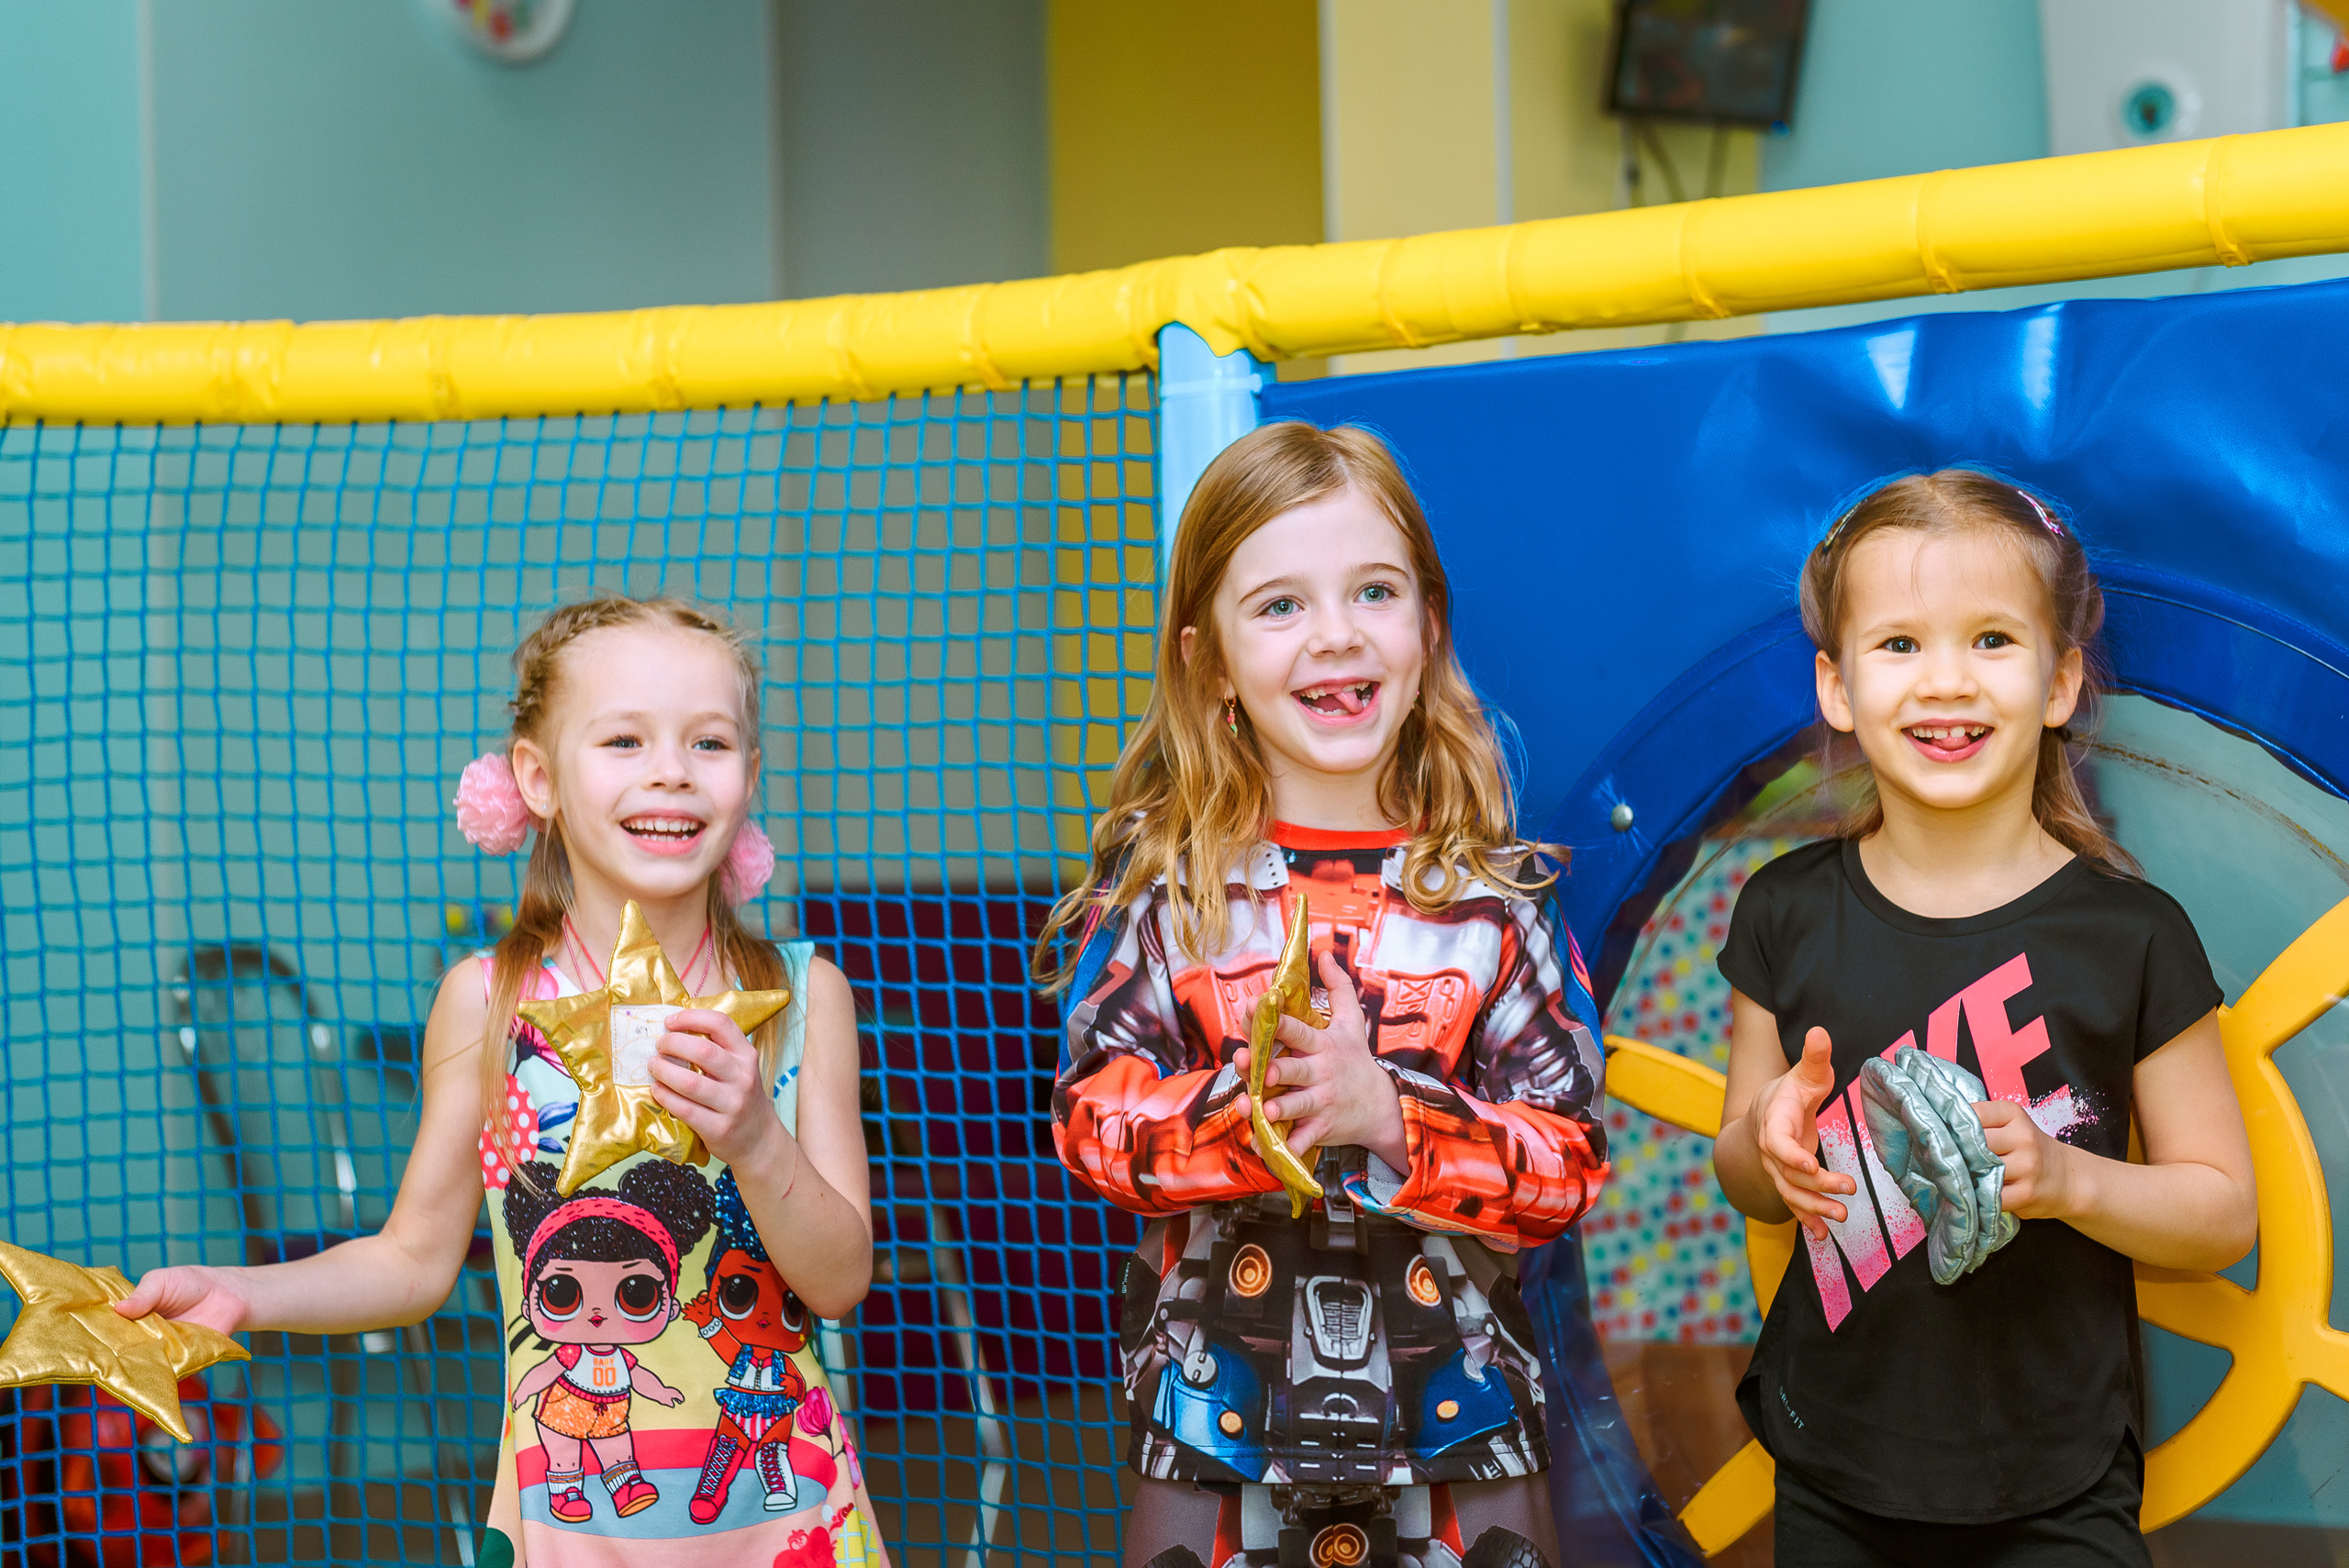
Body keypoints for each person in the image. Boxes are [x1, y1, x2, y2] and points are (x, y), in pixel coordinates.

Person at [118, 595, 885, 1567]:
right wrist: (239, 1290)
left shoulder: (799, 992)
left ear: (749, 776)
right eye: (622, 738)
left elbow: (839, 1277)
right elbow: (410, 1261)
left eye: (709, 741)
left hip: (789, 1519)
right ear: (537, 776)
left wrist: (755, 1140)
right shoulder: (485, 1001)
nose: (671, 771)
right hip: (571, 1525)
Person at [1035, 421, 1610, 1568]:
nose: (1335, 636)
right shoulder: (1160, 896)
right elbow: (1090, 1125)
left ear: (1428, 625)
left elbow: (1572, 1161)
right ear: (1210, 660)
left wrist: (1393, 1116)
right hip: (1217, 1431)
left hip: (1458, 1426)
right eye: (1280, 605)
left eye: (1373, 591)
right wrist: (1257, 1113)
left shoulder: (1494, 905)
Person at [1711, 473, 2257, 1567]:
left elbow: (2222, 1212)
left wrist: (2069, 1181)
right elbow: (1740, 1169)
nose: (1945, 681)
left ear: (2059, 682)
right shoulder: (1782, 909)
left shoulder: (2133, 932)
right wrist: (1771, 1141)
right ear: (1835, 684)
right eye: (1900, 644)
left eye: (1992, 639)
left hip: (2060, 1475)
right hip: (1831, 1461)